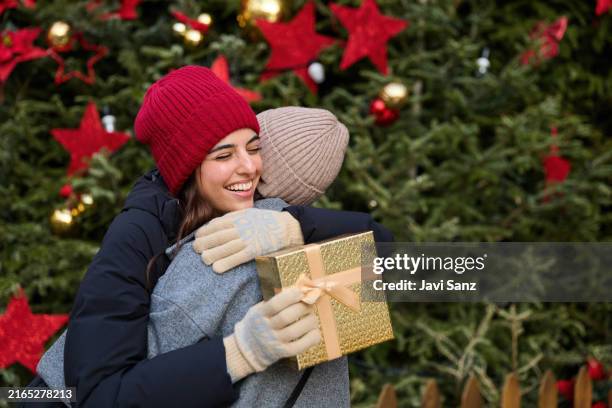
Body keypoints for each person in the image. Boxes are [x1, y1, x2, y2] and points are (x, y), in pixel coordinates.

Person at [24, 66, 392, 407]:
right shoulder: (146, 237)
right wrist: (239, 352)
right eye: (223, 155)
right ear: (189, 165)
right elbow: (97, 394)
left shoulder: (267, 235)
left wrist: (293, 226)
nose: (248, 168)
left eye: (254, 148)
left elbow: (407, 267)